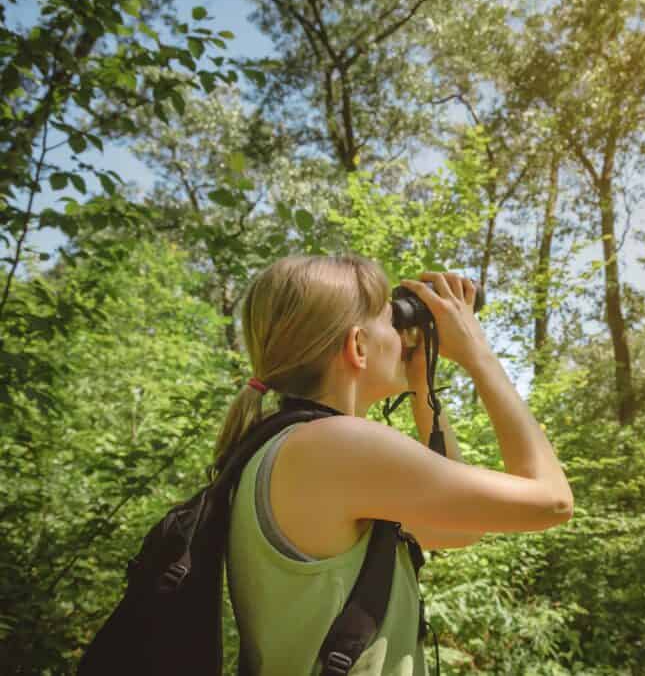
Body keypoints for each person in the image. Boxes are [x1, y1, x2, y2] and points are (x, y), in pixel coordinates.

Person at [219, 255, 574, 675]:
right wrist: (478, 355)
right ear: (358, 346)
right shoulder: (335, 446)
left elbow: (458, 529)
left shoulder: (287, 447)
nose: (404, 337)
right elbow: (553, 502)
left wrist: (423, 382)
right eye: (392, 321)